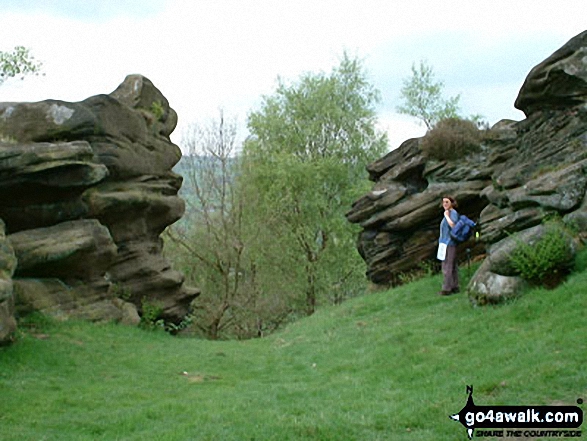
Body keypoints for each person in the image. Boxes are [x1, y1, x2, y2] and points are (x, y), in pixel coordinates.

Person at [438, 196, 459, 296]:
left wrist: (446, 216)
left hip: (449, 243)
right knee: (451, 265)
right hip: (444, 243)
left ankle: (446, 289)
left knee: (447, 266)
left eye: (447, 202)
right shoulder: (448, 213)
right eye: (443, 202)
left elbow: (453, 226)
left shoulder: (452, 213)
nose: (445, 204)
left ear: (452, 203)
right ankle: (454, 286)